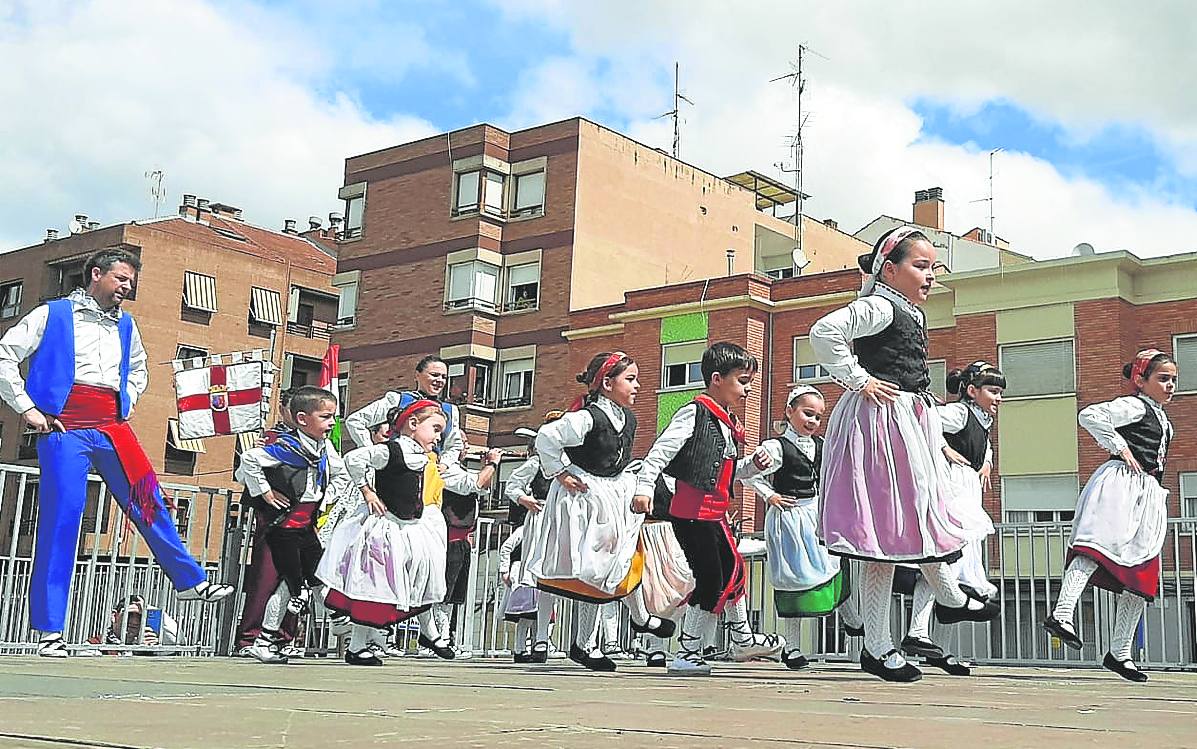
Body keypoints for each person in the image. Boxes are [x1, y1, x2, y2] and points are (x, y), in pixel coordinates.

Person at [0, 249, 232, 657]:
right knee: (61, 522)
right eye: (121, 279)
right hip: (63, 426)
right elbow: (6, 354)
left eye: (130, 282)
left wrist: (129, 401)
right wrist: (28, 409)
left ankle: (191, 582)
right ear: (97, 274)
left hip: (111, 425)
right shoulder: (51, 314)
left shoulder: (127, 324)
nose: (127, 288)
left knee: (148, 498)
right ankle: (49, 632)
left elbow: (138, 369)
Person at [808, 226, 999, 682]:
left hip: (904, 418)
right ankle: (937, 606)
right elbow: (825, 330)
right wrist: (858, 379)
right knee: (897, 524)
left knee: (901, 527)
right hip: (881, 421)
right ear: (889, 271)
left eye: (933, 267)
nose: (930, 276)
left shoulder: (907, 310)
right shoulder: (881, 306)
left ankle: (892, 637)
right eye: (920, 266)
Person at [632, 342, 784, 676]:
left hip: (713, 513)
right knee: (711, 578)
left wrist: (753, 466)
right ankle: (688, 651)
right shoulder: (694, 412)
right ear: (717, 379)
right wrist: (644, 488)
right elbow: (659, 452)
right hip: (692, 512)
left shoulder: (727, 422)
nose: (746, 390)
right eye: (742, 381)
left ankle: (738, 639)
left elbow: (727, 470)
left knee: (732, 572)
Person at [524, 352, 675, 672]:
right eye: (630, 379)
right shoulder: (588, 417)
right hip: (586, 497)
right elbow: (547, 437)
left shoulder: (629, 418)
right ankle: (590, 641)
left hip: (613, 494)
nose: (638, 386)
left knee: (620, 560)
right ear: (607, 384)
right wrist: (561, 472)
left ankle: (635, 619)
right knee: (595, 569)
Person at [1044, 349, 1177, 683]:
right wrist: (1120, 447)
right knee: (1094, 549)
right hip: (1121, 484)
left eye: (1174, 379)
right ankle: (1062, 614)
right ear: (1141, 380)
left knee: (1142, 576)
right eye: (1163, 378)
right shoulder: (1134, 405)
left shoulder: (1161, 416)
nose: (1171, 385)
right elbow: (1091, 415)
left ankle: (1120, 652)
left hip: (1146, 494)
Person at [319, 400, 451, 666]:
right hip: (386, 529)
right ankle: (357, 646)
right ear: (413, 424)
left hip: (410, 529)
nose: (438, 437)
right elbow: (353, 458)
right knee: (374, 586)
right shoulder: (391, 450)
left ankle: (429, 632)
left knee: (416, 576)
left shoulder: (420, 456)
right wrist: (367, 490)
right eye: (435, 429)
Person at [901, 362, 1005, 676]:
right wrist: (944, 447)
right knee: (943, 564)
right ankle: (917, 631)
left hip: (968, 489)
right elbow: (925, 421)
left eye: (1000, 392)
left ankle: (939, 650)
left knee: (957, 575)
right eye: (992, 391)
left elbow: (984, 446)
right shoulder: (960, 413)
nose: (998, 398)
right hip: (952, 488)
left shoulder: (981, 420)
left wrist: (986, 463)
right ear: (972, 391)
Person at [235, 386, 348, 664]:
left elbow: (341, 473)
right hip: (284, 527)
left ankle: (335, 619)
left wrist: (324, 499)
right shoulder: (285, 446)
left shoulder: (324, 447)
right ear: (301, 418)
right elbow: (248, 462)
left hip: (306, 524)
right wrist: (266, 492)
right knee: (293, 582)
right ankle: (336, 618)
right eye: (326, 417)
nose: (332, 423)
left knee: (308, 579)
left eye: (333, 417)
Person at [739, 385, 846, 671]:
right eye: (807, 413)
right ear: (789, 411)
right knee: (793, 580)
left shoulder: (821, 445)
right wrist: (769, 495)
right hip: (789, 517)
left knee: (833, 565)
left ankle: (852, 619)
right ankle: (793, 646)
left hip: (815, 514)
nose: (812, 421)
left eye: (818, 417)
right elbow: (745, 473)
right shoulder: (775, 447)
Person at [234, 388, 303, 657]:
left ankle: (285, 638)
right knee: (266, 577)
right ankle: (250, 638)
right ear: (283, 409)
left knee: (294, 581)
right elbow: (245, 471)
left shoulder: (313, 441)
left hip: (302, 517)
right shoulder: (272, 439)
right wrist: (265, 491)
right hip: (274, 517)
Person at [503, 413, 564, 663]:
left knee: (554, 580)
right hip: (540, 520)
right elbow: (512, 485)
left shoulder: (569, 463)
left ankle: (541, 639)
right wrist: (524, 499)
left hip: (562, 521)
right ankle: (538, 641)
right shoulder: (537, 463)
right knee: (538, 579)